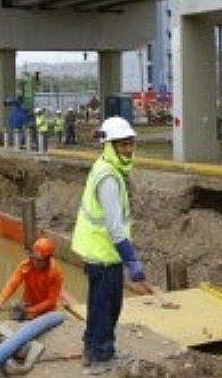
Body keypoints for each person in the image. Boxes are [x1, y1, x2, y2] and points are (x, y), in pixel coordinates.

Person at [72, 116, 145, 373]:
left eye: (130, 143)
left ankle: (91, 347)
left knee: (98, 304)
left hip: (98, 252)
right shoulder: (109, 178)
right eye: (122, 144)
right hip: (104, 253)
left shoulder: (107, 168)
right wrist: (131, 260)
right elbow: (115, 228)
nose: (127, 149)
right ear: (109, 146)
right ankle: (102, 356)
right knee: (107, 306)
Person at [0, 237, 64, 320]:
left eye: (39, 260)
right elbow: (12, 284)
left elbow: (50, 300)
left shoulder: (55, 274)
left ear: (47, 260)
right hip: (27, 304)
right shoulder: (26, 266)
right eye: (33, 258)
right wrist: (0, 302)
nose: (35, 262)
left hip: (46, 311)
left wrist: (31, 310)